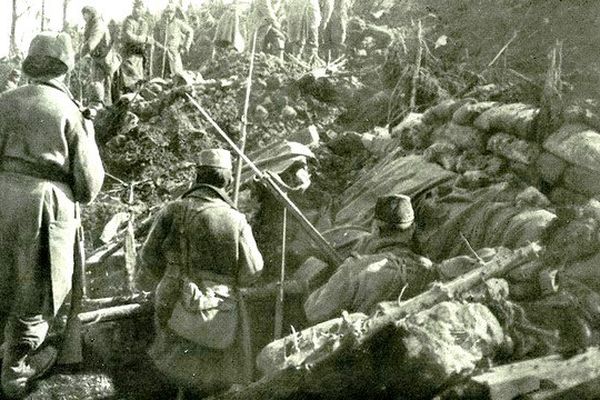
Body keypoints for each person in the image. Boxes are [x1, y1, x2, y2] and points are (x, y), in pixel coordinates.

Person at [0, 31, 105, 398]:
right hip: (45, 203)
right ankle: (15, 372)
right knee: (39, 287)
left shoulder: (4, 101)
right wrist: (88, 132)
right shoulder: (70, 110)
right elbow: (90, 186)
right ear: (65, 67)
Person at [140, 149, 263, 396]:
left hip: (171, 296)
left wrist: (170, 276)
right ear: (227, 181)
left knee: (171, 365)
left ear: (197, 177)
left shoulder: (172, 209)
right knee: (212, 375)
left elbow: (148, 256)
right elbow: (252, 271)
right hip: (217, 307)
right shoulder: (235, 219)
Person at [304, 194, 436, 323]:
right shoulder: (429, 270)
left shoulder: (354, 268)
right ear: (412, 229)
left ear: (376, 229)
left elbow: (313, 312)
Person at [81, 6, 120, 104]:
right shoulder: (90, 25)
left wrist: (79, 55)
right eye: (83, 15)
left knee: (103, 91)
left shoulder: (98, 25)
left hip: (105, 63)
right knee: (96, 89)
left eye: (86, 14)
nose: (84, 17)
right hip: (97, 61)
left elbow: (91, 44)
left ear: (91, 14)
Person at [118, 0, 153, 94]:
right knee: (129, 79)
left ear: (143, 10)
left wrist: (144, 39)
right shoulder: (128, 21)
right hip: (128, 54)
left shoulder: (144, 23)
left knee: (139, 79)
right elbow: (129, 36)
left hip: (139, 54)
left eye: (139, 8)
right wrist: (144, 39)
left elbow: (144, 35)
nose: (137, 10)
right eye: (135, 8)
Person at [154, 4, 194, 79]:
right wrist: (158, 46)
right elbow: (155, 37)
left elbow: (190, 31)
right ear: (164, 13)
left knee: (177, 77)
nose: (169, 14)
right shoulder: (159, 24)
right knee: (159, 78)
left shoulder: (178, 23)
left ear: (174, 13)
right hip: (162, 55)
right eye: (167, 12)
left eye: (171, 12)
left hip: (174, 54)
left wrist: (185, 47)